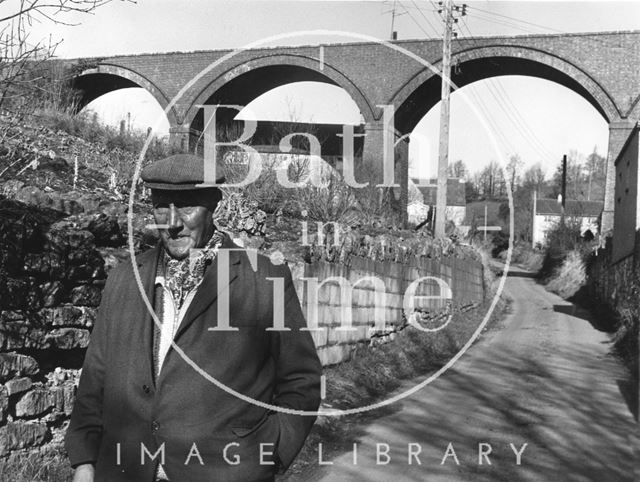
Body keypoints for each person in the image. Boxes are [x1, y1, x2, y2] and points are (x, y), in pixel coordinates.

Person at [65, 153, 322, 482]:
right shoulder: (125, 277)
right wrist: (84, 462)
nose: (172, 222)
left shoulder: (263, 279)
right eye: (161, 206)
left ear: (214, 204)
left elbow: (302, 380)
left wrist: (268, 454)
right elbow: (95, 378)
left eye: (186, 206)